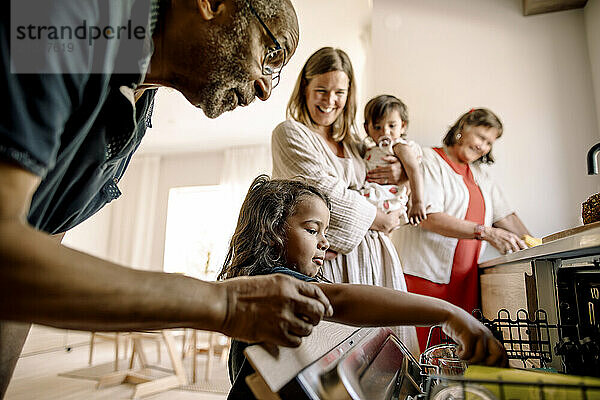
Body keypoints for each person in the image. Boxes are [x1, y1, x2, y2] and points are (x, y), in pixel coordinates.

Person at [0, 1, 336, 396]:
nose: (265, 89)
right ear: (211, 5)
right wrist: (224, 305)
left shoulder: (140, 110)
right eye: (270, 54)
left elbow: (38, 237)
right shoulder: (64, 17)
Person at [218, 175, 508, 399]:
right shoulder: (272, 284)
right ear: (272, 232)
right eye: (311, 229)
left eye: (325, 232)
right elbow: (342, 300)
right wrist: (448, 314)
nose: (324, 242)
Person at [271, 47, 419, 354]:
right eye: (321, 90)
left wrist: (402, 171)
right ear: (305, 89)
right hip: (330, 261)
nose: (329, 101)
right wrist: (379, 219)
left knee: (385, 357)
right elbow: (322, 195)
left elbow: (406, 160)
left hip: (375, 259)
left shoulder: (356, 144)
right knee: (337, 353)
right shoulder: (290, 134)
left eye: (339, 92)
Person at [392, 108, 531, 351]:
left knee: (458, 353)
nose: (483, 146)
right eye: (480, 137)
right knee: (424, 352)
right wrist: (486, 232)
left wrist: (535, 243)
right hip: (425, 275)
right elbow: (428, 217)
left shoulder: (481, 176)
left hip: (464, 280)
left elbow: (506, 216)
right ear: (463, 128)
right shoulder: (428, 159)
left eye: (489, 143)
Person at [361, 95, 426, 225]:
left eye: (392, 126)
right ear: (366, 128)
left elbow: (414, 171)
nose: (385, 132)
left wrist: (417, 202)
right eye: (377, 127)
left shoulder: (398, 146)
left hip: (390, 198)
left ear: (402, 126)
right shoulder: (368, 149)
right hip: (372, 195)